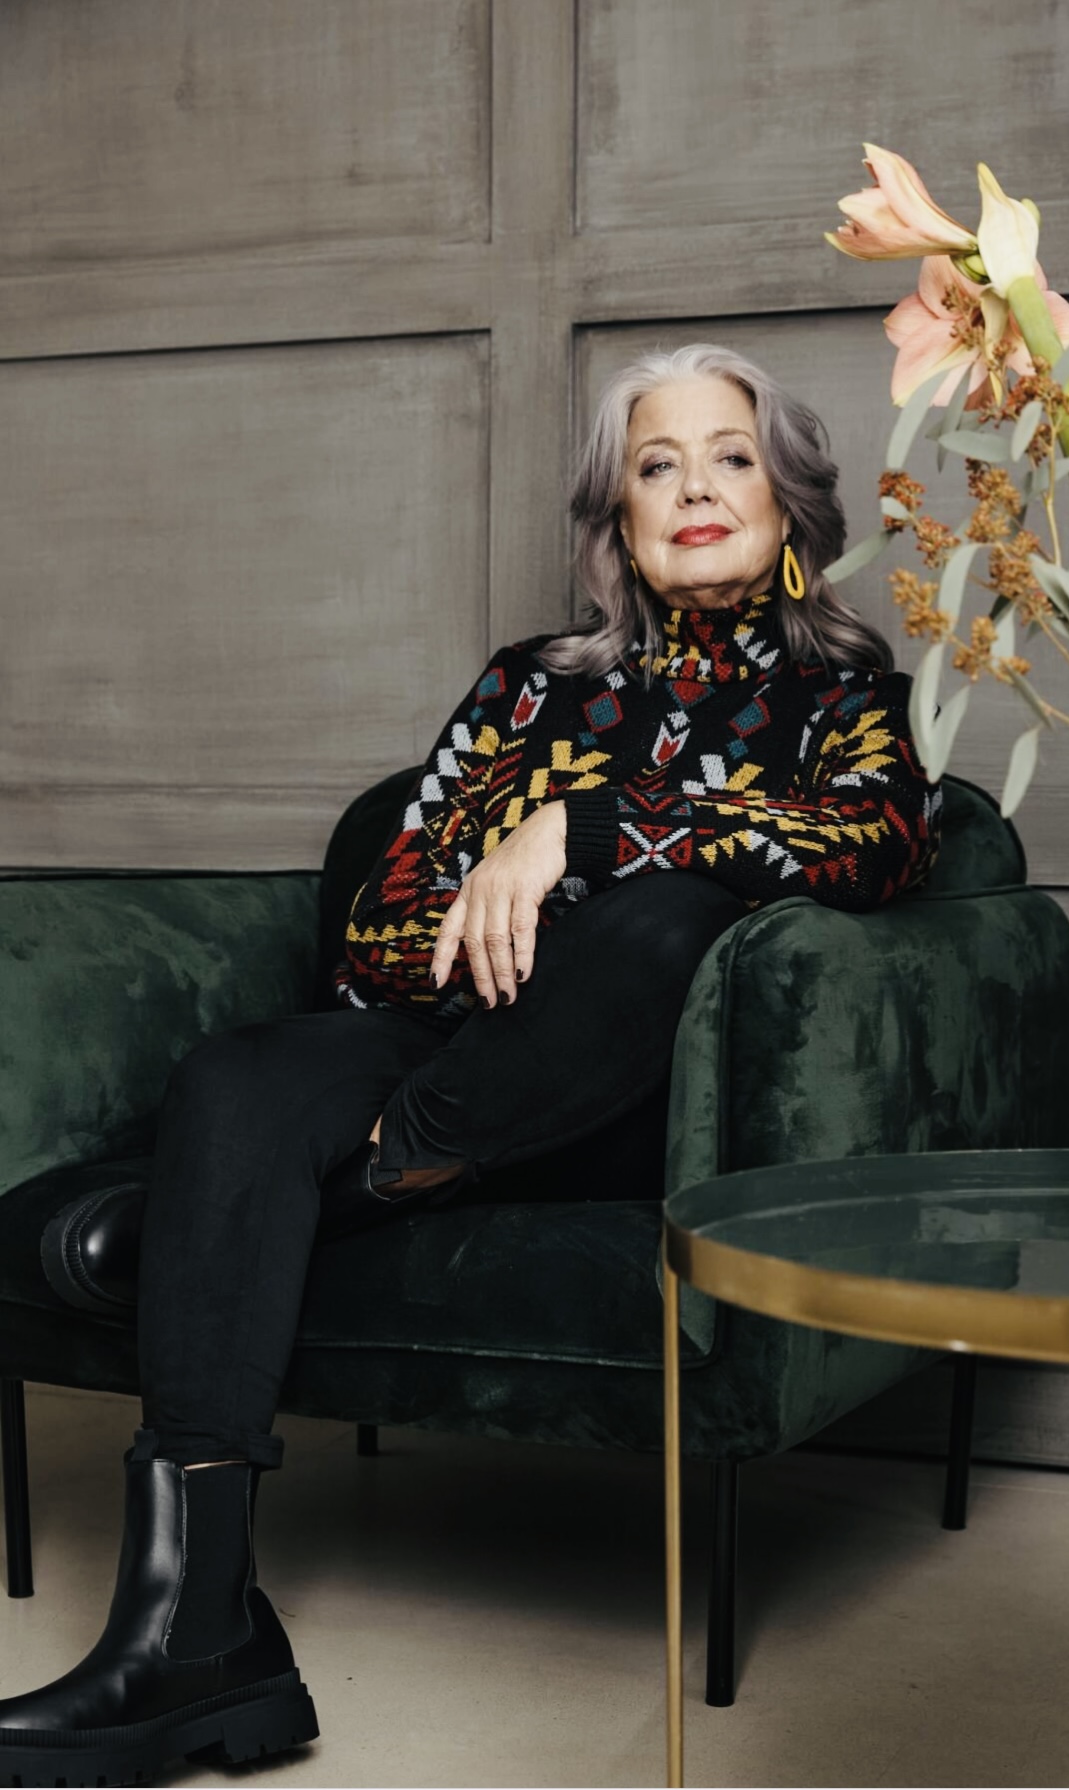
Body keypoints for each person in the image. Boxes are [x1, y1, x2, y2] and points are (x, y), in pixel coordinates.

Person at [0, 342, 942, 1785]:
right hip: (450, 1043)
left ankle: (322, 1190)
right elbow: (382, 917)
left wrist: (579, 833)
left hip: (621, 1094)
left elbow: (877, 846)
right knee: (238, 1076)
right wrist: (489, 894)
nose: (695, 487)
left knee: (664, 922)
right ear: (616, 515)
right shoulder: (525, 686)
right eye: (656, 464)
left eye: (730, 456)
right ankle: (194, 1630)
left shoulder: (846, 695)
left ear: (788, 497)